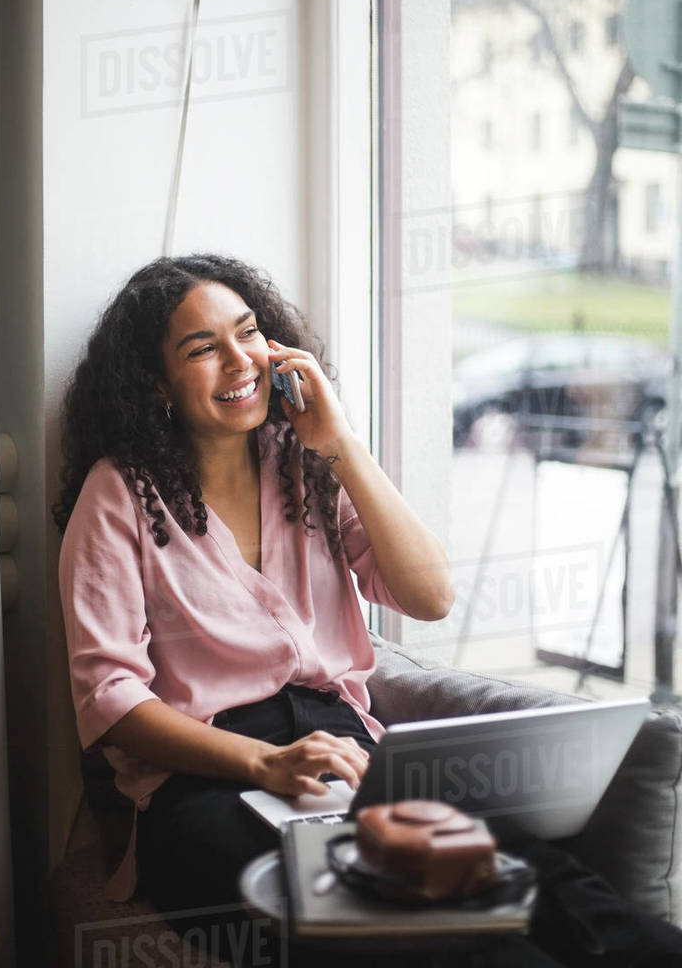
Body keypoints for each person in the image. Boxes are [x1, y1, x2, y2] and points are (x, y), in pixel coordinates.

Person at [54, 252, 682, 968]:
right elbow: (108, 701)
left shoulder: (304, 461)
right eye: (202, 349)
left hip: (349, 756)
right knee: (407, 928)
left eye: (248, 332)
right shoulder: (117, 496)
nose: (240, 361)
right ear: (156, 382)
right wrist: (265, 763)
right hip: (206, 784)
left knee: (541, 880)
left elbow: (429, 595)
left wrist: (342, 442)